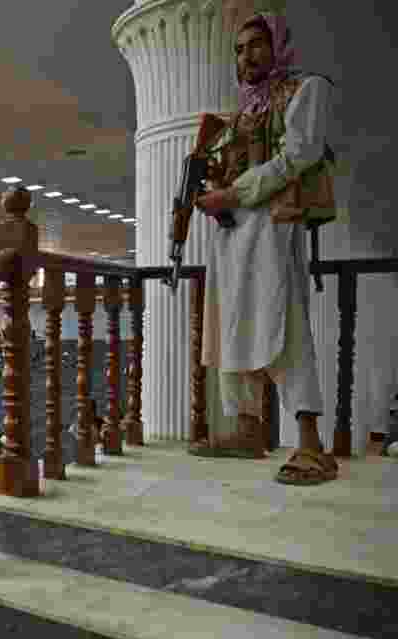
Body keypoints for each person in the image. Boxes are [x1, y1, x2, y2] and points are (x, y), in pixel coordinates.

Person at [193, 12, 337, 485]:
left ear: (277, 46)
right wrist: (211, 193)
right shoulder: (241, 112)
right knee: (231, 324)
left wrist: (232, 194)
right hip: (233, 237)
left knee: (285, 325)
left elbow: (299, 154)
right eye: (238, 49)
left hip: (276, 229)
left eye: (256, 44)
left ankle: (311, 444)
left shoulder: (306, 89)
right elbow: (226, 170)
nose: (246, 55)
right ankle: (246, 428)